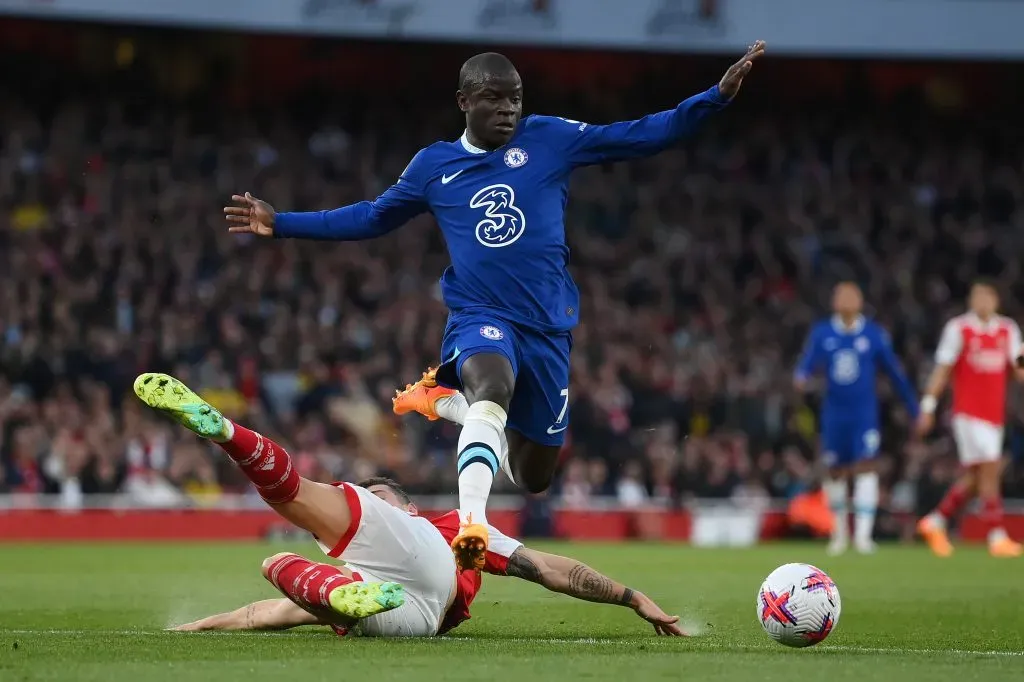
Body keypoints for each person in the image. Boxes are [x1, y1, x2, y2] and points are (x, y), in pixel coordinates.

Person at [224, 43, 766, 570]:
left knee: (533, 476)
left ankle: (444, 402)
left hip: (549, 328)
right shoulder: (435, 166)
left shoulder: (549, 138)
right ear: (463, 101)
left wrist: (713, 97)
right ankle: (473, 523)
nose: (508, 108)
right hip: (480, 316)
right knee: (492, 384)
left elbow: (638, 136)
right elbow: (372, 217)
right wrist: (282, 223)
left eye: (515, 98)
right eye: (494, 98)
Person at [134, 372, 684, 637]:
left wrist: (630, 597)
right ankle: (345, 597)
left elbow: (551, 568)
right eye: (369, 495)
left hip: (428, 565)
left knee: (298, 497)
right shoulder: (394, 561)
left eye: (381, 495)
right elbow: (263, 613)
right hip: (414, 616)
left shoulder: (448, 527)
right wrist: (197, 629)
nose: (373, 498)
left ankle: (226, 431)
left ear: (407, 505)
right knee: (281, 571)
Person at [793, 282, 918, 555]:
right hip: (834, 414)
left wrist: (913, 408)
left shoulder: (873, 334)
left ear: (861, 301)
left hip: (864, 414)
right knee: (835, 473)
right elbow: (806, 363)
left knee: (865, 467)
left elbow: (895, 373)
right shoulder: (822, 333)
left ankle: (863, 536)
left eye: (853, 295)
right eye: (842, 295)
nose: (847, 300)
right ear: (834, 301)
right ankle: (839, 534)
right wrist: (801, 377)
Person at [916, 280, 1024, 558]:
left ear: (996, 300)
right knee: (990, 468)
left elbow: (1018, 367)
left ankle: (935, 520)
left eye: (987, 296)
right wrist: (928, 405)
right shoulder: (958, 329)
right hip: (968, 413)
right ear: (971, 301)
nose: (982, 302)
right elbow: (943, 369)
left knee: (977, 476)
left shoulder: (1007, 329)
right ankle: (997, 535)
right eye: (977, 296)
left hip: (994, 415)